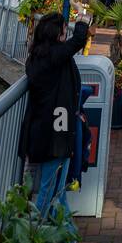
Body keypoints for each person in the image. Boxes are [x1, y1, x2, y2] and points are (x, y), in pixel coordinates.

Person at [18, 11, 90, 225]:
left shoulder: (38, 57)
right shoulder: (55, 56)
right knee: (50, 189)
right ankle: (34, 237)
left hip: (44, 130)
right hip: (57, 134)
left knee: (57, 189)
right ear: (57, 34)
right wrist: (83, 20)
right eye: (62, 31)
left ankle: (67, 237)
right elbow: (78, 40)